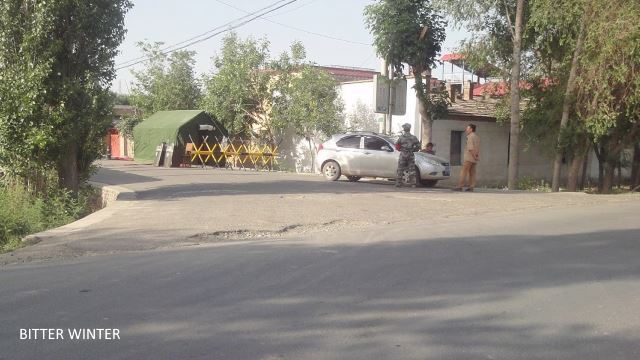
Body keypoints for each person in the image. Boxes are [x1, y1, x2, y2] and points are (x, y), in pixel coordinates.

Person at [453, 124, 480, 192]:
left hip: (469, 157)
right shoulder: (477, 137)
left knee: (464, 172)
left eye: (467, 129)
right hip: (474, 158)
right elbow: (477, 148)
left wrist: (474, 156)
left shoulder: (470, 137)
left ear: (471, 129)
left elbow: (470, 148)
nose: (466, 130)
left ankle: (460, 186)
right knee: (472, 173)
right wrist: (476, 157)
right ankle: (471, 187)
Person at [395, 123, 421, 188]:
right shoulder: (413, 137)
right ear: (409, 129)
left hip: (403, 154)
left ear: (404, 129)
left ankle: (398, 183)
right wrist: (414, 150)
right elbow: (418, 146)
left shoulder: (401, 137)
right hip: (410, 154)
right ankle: (413, 184)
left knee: (400, 169)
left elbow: (397, 146)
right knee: (412, 169)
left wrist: (401, 149)